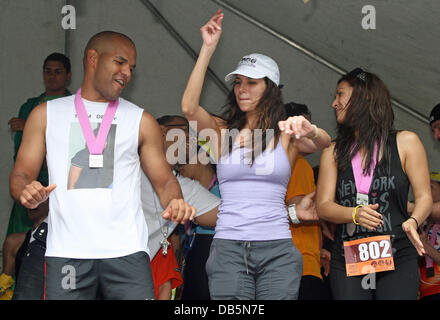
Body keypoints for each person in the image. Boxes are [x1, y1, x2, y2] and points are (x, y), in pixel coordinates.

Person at [9, 31, 195, 300]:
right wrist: (25, 189)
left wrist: (175, 200)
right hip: (67, 252)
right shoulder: (45, 114)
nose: (126, 73)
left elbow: (164, 181)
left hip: (127, 253)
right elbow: (21, 173)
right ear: (93, 58)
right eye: (119, 62)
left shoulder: (140, 120)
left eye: (131, 67)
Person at [181, 10, 331, 300]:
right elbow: (189, 108)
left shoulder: (286, 134)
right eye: (238, 82)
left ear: (271, 88)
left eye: (251, 82)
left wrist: (310, 129)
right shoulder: (222, 132)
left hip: (276, 247)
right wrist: (207, 49)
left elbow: (325, 143)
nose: (242, 89)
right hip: (228, 248)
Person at [316, 67, 432, 300]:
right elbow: (323, 205)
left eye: (340, 95)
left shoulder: (406, 142)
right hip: (349, 256)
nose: (334, 103)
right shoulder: (333, 151)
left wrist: (414, 220)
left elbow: (425, 197)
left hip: (398, 252)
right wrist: (354, 214)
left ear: (363, 98)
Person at [142, 114, 221, 300]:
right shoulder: (128, 166)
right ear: (161, 131)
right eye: (187, 130)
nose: (193, 138)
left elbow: (232, 216)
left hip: (134, 275)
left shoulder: (184, 187)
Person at [6, 53, 72, 236]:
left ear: (68, 76)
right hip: (29, 183)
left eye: (58, 72)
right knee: (16, 243)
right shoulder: (30, 106)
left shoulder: (76, 107)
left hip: (58, 186)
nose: (52, 76)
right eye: (48, 71)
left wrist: (28, 125)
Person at [284, 102, 323, 300]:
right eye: (305, 125)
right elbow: (298, 209)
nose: (309, 132)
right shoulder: (299, 164)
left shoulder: (280, 162)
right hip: (301, 262)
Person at [418, 172, 440, 300]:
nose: (426, 190)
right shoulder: (420, 224)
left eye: (431, 186)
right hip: (425, 292)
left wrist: (425, 245)